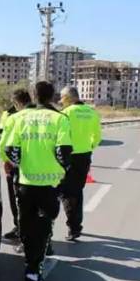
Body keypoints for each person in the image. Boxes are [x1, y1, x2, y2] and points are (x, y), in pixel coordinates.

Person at [5, 81, 72, 281]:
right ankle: (34, 273)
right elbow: (63, 152)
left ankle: (29, 268)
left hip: (25, 183)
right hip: (49, 185)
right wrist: (62, 169)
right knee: (43, 230)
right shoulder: (60, 119)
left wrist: (21, 166)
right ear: (52, 96)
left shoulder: (19, 117)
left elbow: (10, 149)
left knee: (26, 228)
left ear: (33, 96)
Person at [59, 86, 102, 241]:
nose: (60, 101)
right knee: (77, 190)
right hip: (84, 156)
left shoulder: (66, 113)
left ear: (68, 98)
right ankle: (76, 225)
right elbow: (97, 136)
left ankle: (73, 227)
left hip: (68, 156)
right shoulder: (91, 112)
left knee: (66, 193)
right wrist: (89, 147)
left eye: (62, 98)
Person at [0, 89, 35, 241]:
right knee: (37, 202)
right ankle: (39, 233)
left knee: (18, 200)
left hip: (18, 165)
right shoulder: (46, 115)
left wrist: (6, 161)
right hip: (41, 166)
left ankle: (21, 230)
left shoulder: (14, 117)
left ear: (17, 103)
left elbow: (4, 143)